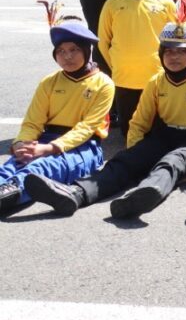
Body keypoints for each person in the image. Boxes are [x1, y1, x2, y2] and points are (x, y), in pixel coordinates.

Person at [24, 2, 186, 219]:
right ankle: (76, 194)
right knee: (122, 162)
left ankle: (144, 194)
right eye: (168, 51)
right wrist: (136, 154)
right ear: (160, 54)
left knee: (170, 164)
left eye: (180, 52)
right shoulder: (156, 81)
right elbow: (139, 123)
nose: (174, 57)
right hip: (164, 134)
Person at [1, 13, 113, 216]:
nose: (67, 56)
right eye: (61, 51)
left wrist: (49, 148)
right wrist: (21, 143)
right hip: (46, 138)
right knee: (13, 165)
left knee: (43, 167)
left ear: (87, 51)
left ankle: (10, 195)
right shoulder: (49, 82)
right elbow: (33, 121)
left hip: (84, 146)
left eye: (74, 50)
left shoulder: (103, 83)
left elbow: (87, 128)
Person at [97, 0, 177, 141]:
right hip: (125, 79)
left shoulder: (165, 3)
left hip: (157, 77)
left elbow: (175, 39)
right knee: (130, 132)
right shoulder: (112, 4)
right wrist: (117, 65)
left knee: (158, 131)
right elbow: (103, 41)